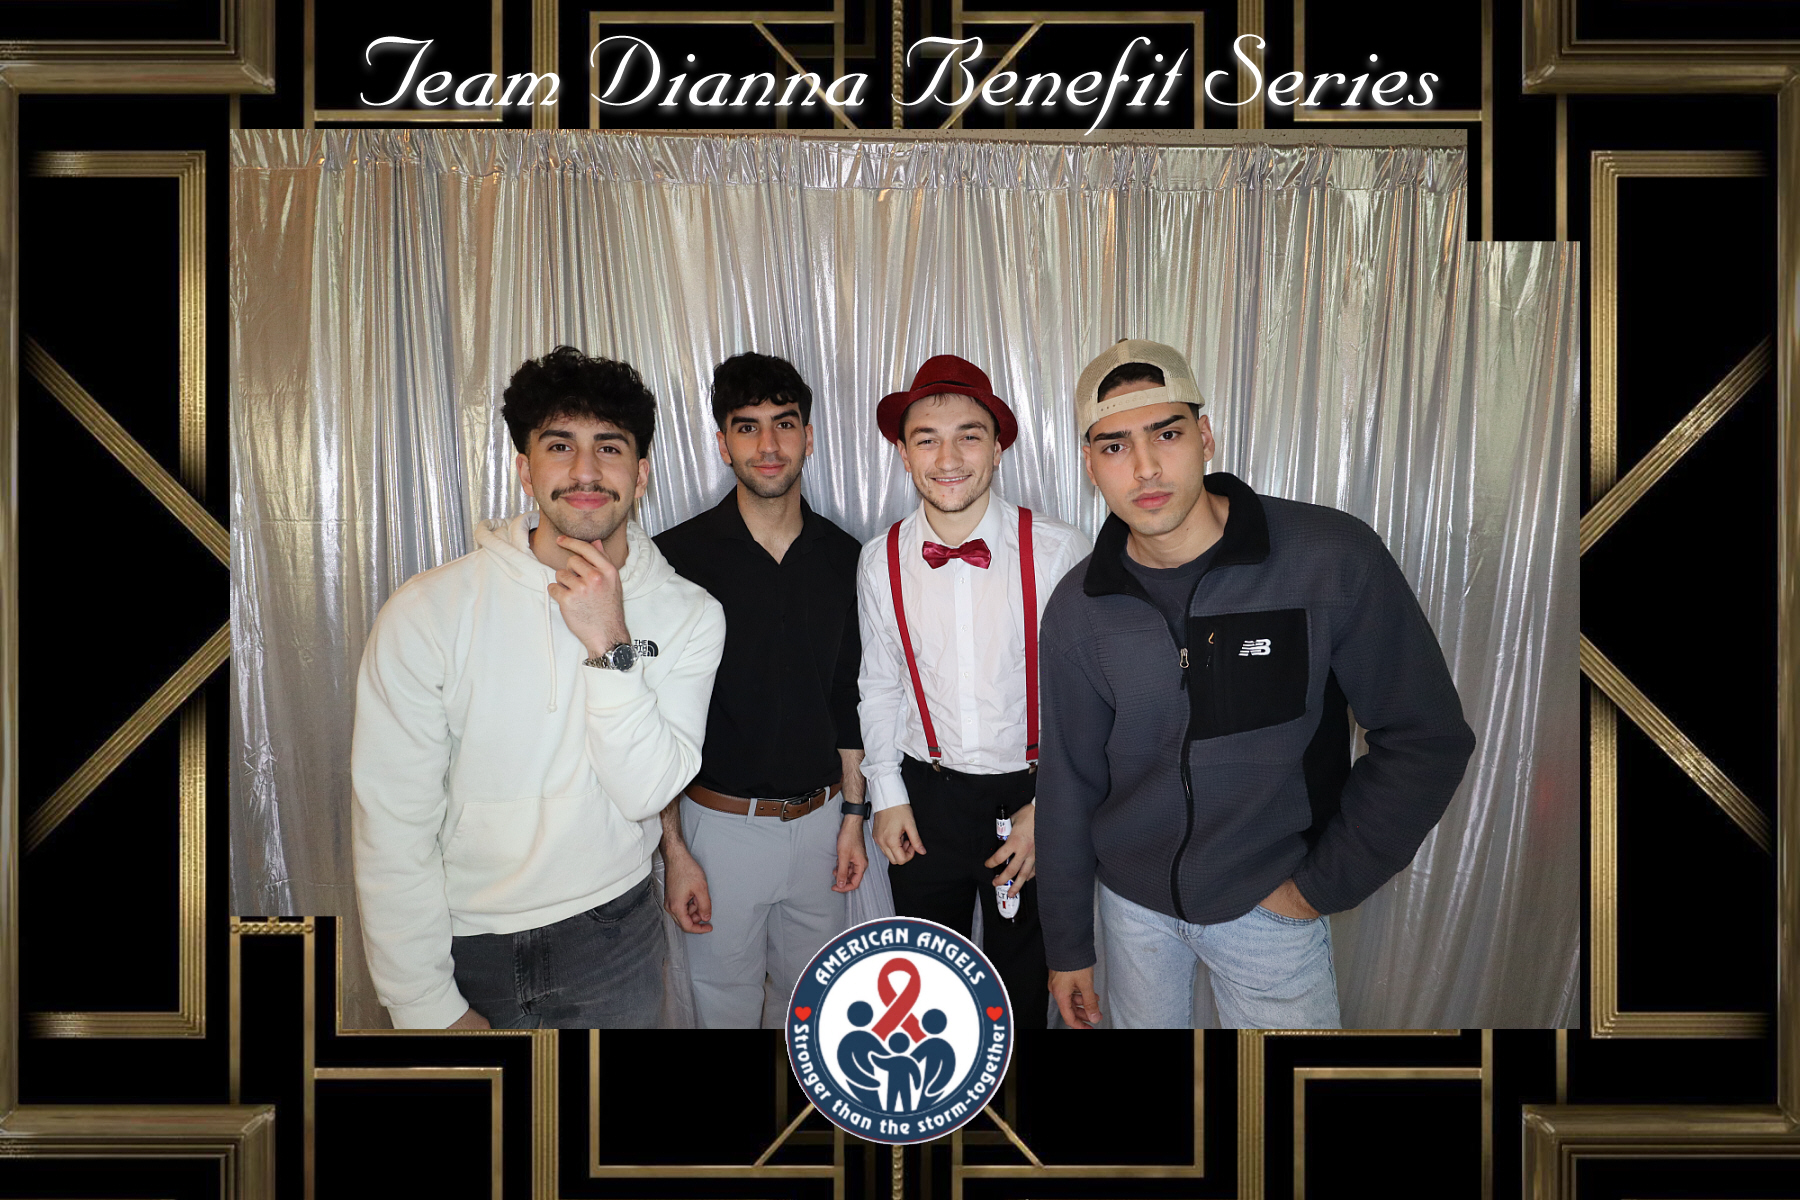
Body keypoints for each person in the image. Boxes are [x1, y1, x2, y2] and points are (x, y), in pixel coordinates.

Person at [1035, 339, 1477, 1029]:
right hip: (1131, 910)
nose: (1145, 467)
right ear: (1090, 465)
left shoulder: (1329, 557)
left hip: (1269, 910)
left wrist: (1316, 889)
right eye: (1115, 446)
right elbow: (1069, 780)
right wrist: (1067, 946)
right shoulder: (1078, 607)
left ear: (1205, 436)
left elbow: (1426, 737)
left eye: (1167, 434)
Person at [351, 346, 726, 1029]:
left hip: (615, 937)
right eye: (560, 446)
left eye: (609, 447)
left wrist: (610, 643)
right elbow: (392, 821)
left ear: (641, 473)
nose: (585, 470)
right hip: (466, 940)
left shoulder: (691, 613)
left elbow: (647, 791)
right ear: (525, 469)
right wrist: (422, 1003)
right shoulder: (427, 611)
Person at [857, 354, 1092, 1030]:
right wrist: (887, 794)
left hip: (1033, 796)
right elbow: (880, 683)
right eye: (926, 439)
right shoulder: (880, 558)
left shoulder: (1059, 550)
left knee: (1026, 980)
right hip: (925, 797)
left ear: (997, 447)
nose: (948, 457)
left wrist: (1052, 807)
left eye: (968, 435)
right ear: (904, 454)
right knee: (928, 987)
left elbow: (1089, 698)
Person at [654, 352, 869, 1028]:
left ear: (809, 436)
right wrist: (674, 851)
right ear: (723, 443)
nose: (768, 445)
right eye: (747, 427)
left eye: (785, 423)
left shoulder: (847, 557)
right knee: (721, 1009)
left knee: (819, 1012)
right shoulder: (672, 559)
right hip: (718, 831)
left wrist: (854, 817)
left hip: (823, 826)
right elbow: (653, 712)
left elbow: (851, 697)